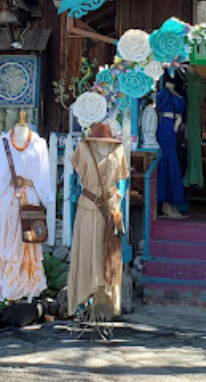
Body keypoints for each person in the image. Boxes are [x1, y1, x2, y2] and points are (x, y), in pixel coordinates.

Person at [0, 114, 53, 302]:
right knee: (7, 242)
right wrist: (46, 197)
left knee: (26, 243)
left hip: (24, 197)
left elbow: (43, 174)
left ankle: (24, 288)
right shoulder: (2, 143)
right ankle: (5, 287)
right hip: (11, 198)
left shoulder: (38, 143)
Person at [69, 122, 127, 319]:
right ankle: (86, 297)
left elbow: (122, 175)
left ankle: (104, 305)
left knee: (107, 256)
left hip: (108, 211)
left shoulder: (118, 150)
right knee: (87, 253)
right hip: (90, 210)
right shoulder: (83, 149)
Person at [156, 71, 187, 219]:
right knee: (167, 163)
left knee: (173, 164)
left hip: (174, 130)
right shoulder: (164, 92)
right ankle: (165, 204)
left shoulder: (172, 92)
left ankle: (171, 204)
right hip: (166, 128)